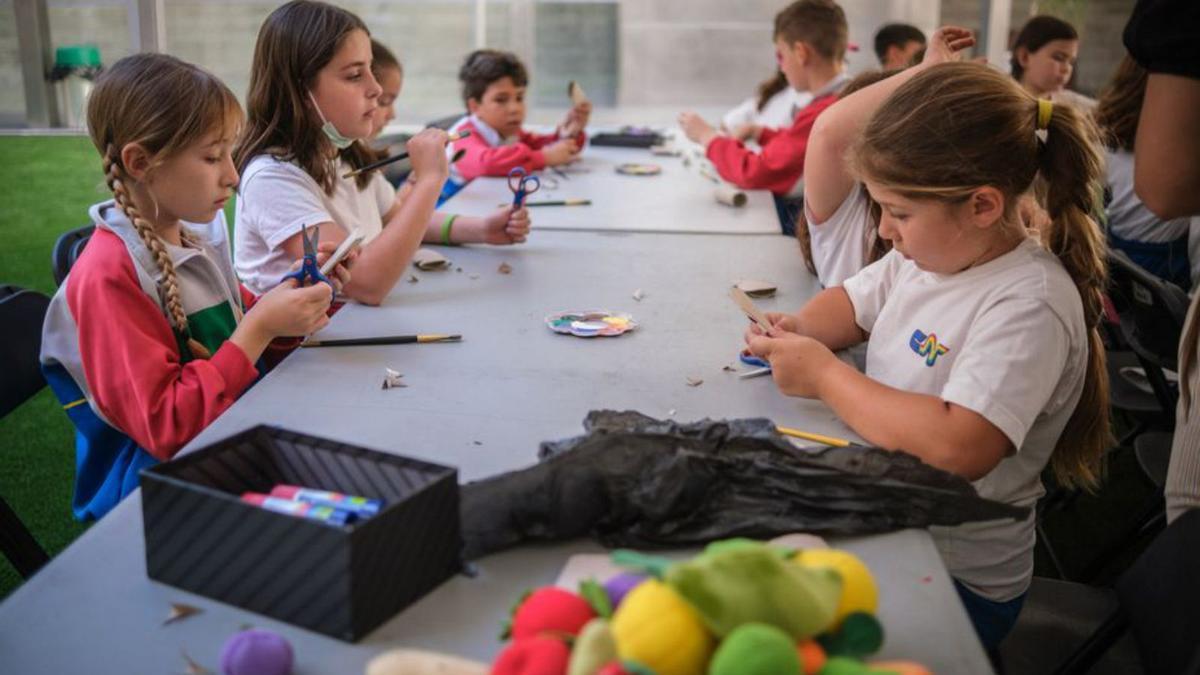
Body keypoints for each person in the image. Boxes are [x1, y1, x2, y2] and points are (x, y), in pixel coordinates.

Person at [747, 60, 1109, 649]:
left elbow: (957, 446)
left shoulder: (1029, 305)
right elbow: (853, 303)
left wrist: (827, 378)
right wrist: (799, 329)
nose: (886, 230)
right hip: (890, 520)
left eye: (899, 212)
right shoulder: (933, 253)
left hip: (950, 577)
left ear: (984, 206)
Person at [40, 54, 340, 520]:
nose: (233, 176)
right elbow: (168, 427)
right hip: (152, 499)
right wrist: (260, 329)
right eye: (211, 156)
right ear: (141, 162)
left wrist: (290, 306)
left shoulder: (191, 236)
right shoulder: (108, 277)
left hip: (229, 444)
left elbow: (238, 332)